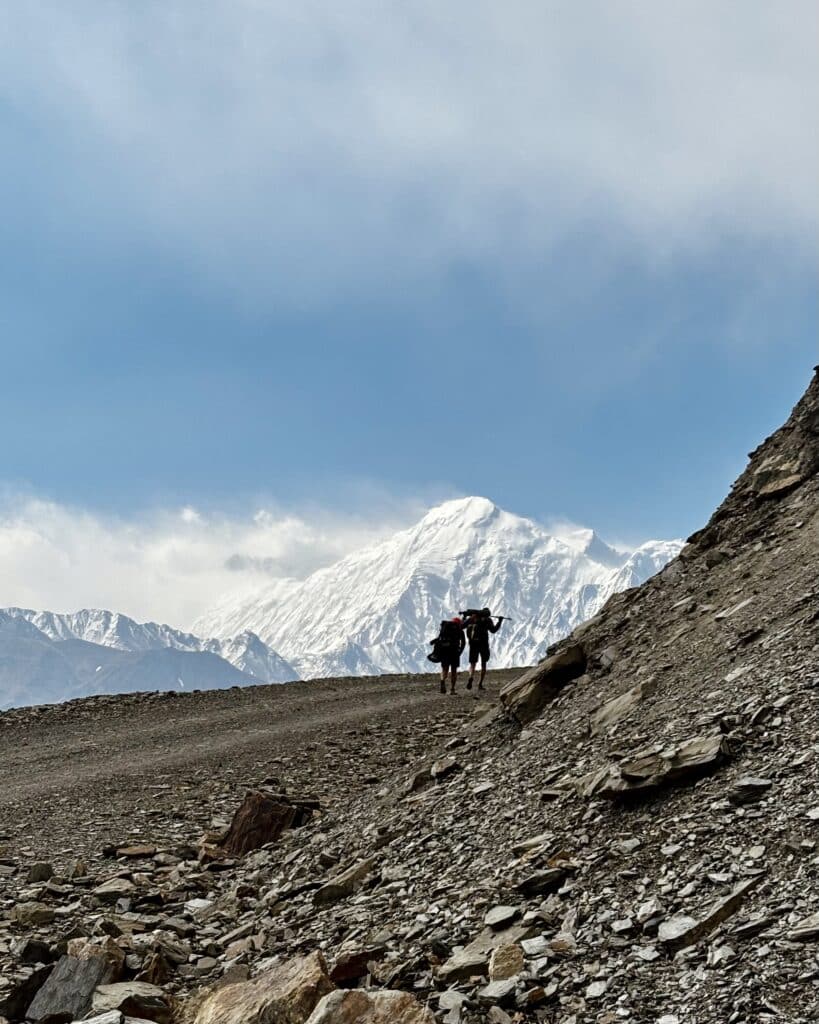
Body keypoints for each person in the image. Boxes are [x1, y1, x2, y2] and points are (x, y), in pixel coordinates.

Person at [465, 607, 503, 692]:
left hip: (473, 644)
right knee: (483, 664)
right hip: (484, 644)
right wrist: (499, 621)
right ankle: (480, 684)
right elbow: (493, 630)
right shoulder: (488, 620)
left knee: (473, 664)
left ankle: (471, 677)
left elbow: (464, 625)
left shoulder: (473, 619)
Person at [434, 616, 466, 694]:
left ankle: (442, 681)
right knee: (454, 671)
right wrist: (460, 652)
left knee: (444, 669)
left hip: (445, 651)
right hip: (455, 652)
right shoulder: (460, 630)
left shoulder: (445, 628)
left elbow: (440, 639)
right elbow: (463, 643)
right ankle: (452, 689)